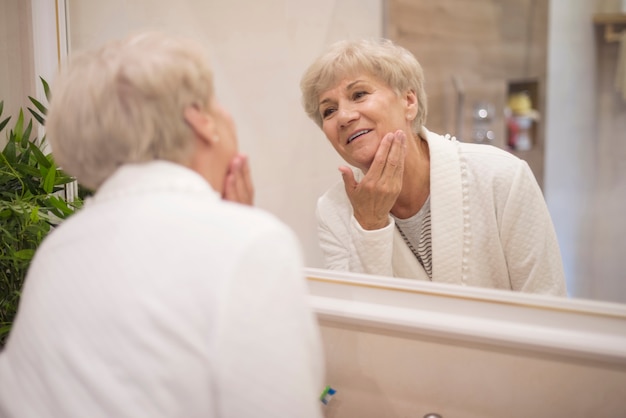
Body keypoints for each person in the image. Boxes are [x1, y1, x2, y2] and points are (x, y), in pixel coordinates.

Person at [0, 32, 324, 417]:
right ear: (200, 120)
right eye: (214, 100)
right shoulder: (250, 244)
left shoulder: (57, 249)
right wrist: (239, 228)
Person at [300, 38, 566, 296]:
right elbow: (359, 327)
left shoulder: (503, 177)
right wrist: (370, 225)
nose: (344, 117)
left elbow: (548, 309)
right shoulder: (333, 210)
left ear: (409, 102)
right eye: (329, 111)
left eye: (359, 94)